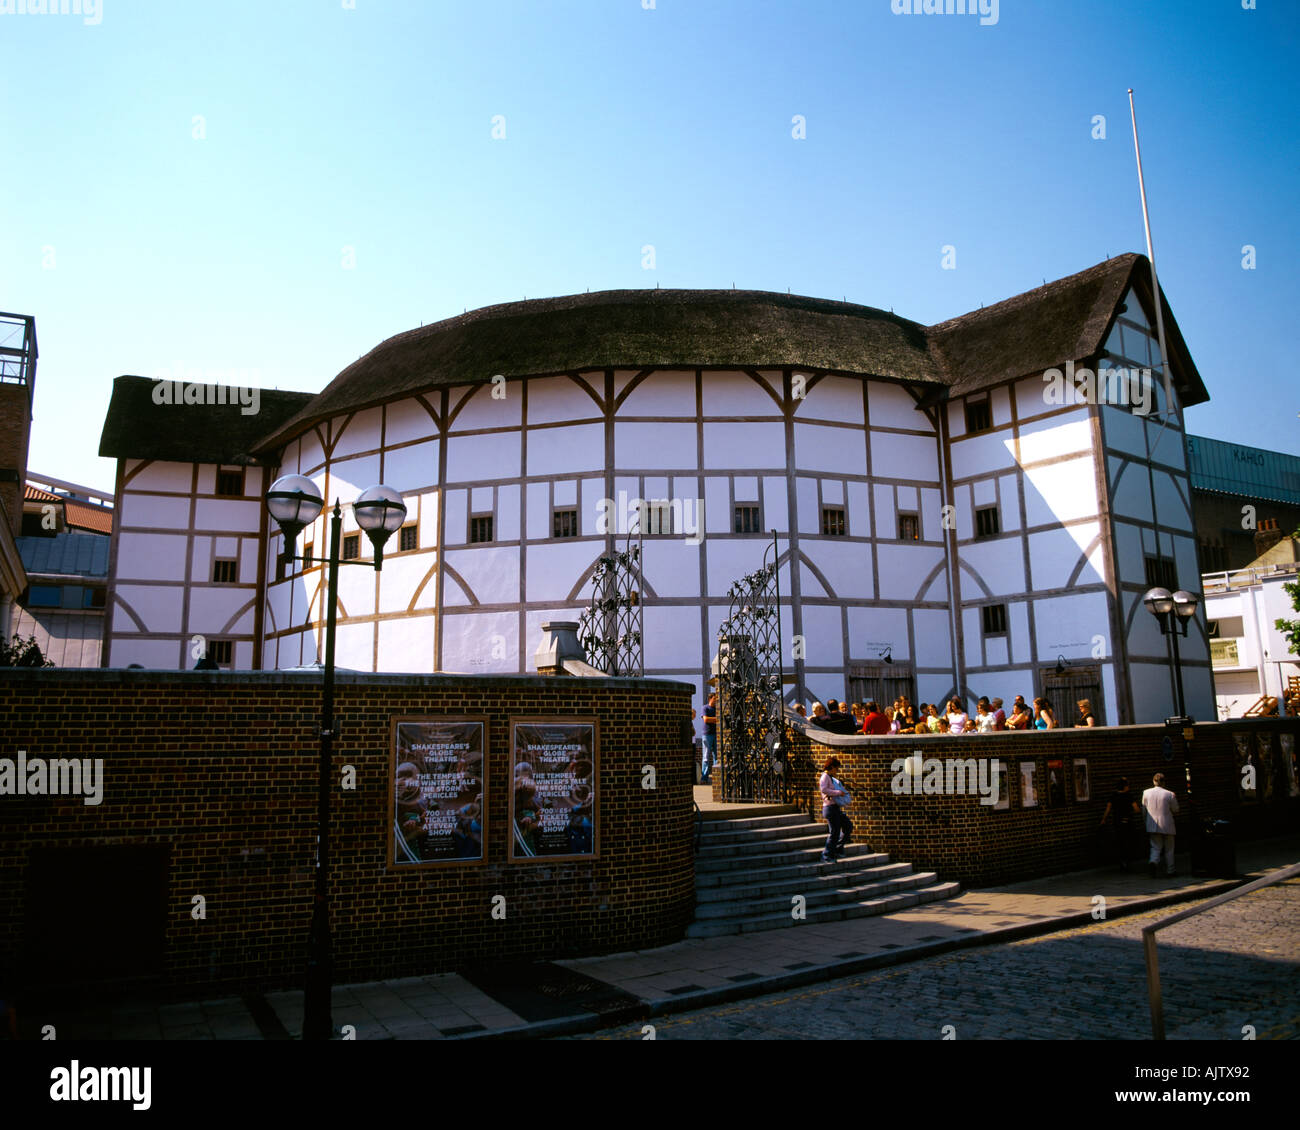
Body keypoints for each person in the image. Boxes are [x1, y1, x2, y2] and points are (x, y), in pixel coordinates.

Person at [1141, 772, 1180, 877]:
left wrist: (1146, 822)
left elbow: (1144, 811)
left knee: (1155, 847)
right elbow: (1176, 809)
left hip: (1152, 825)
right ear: (1163, 782)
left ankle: (1153, 862)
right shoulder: (1170, 794)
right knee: (1169, 849)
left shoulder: (1146, 793)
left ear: (1153, 781)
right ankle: (1170, 870)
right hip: (1167, 824)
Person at [1100, 777, 1140, 871]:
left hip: (1117, 822)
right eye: (1128, 785)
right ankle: (1128, 861)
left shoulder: (1113, 796)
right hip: (1128, 822)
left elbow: (1108, 809)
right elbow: (1136, 809)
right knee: (1129, 841)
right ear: (1125, 786)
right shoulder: (1129, 796)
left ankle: (1122, 861)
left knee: (1120, 842)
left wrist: (1103, 819)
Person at [818, 757, 852, 862]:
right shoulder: (825, 777)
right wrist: (838, 792)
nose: (837, 771)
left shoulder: (830, 777)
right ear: (831, 767)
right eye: (836, 769)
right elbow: (824, 789)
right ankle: (827, 855)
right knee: (834, 832)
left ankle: (837, 848)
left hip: (835, 808)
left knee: (848, 826)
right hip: (830, 808)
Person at [700, 692, 718, 784]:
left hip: (716, 734)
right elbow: (706, 719)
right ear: (710, 699)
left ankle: (716, 778)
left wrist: (713, 719)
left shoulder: (717, 709)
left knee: (717, 756)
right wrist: (717, 719)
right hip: (707, 734)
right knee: (706, 757)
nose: (716, 701)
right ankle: (704, 778)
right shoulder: (705, 708)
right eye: (715, 699)